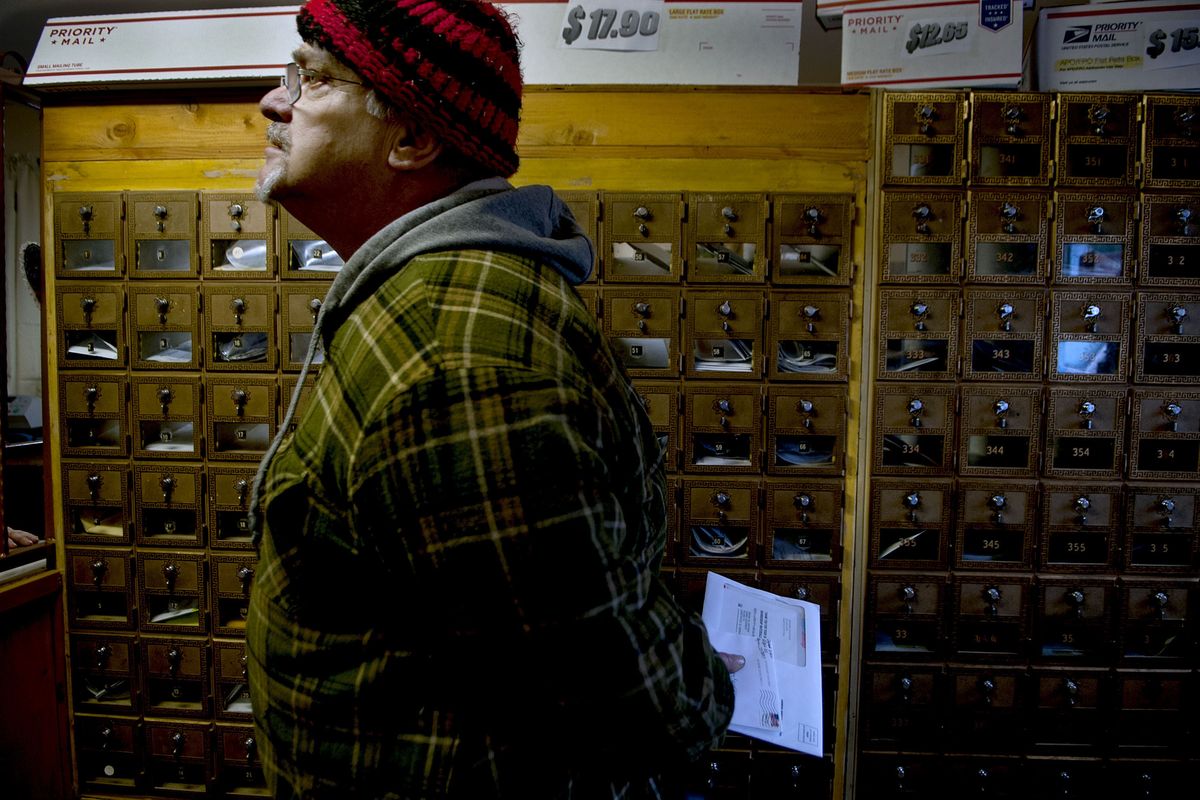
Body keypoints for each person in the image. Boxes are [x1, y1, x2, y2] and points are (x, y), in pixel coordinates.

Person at [244, 1, 735, 797]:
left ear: (412, 138)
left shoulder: (448, 363)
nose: (275, 100)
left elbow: (596, 687)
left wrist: (705, 693)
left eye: (313, 79)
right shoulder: (431, 306)